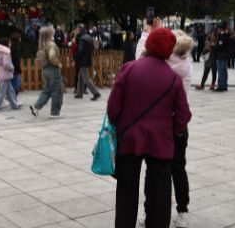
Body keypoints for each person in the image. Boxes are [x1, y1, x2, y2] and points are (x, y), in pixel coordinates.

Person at [108, 28, 191, 228]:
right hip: (161, 142)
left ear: (149, 44)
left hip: (130, 139)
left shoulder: (129, 68)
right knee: (159, 194)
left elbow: (112, 107)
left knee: (126, 192)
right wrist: (173, 130)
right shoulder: (173, 79)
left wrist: (120, 126)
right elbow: (183, 115)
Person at [135, 21, 195, 228]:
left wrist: (147, 32)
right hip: (179, 125)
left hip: (160, 124)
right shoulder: (186, 62)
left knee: (155, 171)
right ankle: (182, 211)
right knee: (178, 168)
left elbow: (141, 54)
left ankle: (150, 212)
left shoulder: (167, 65)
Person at [31, 26, 64, 119]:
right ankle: (55, 113)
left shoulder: (42, 44)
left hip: (45, 70)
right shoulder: (51, 44)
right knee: (57, 91)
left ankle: (36, 107)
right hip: (53, 70)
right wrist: (58, 64)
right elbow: (52, 56)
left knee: (47, 90)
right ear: (50, 34)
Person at [0, 37, 21, 111]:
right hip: (5, 74)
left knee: (10, 91)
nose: (10, 44)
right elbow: (6, 63)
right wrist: (12, 68)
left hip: (1, 73)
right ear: (5, 44)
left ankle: (15, 105)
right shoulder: (6, 52)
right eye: (9, 43)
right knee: (1, 92)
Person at [74, 24, 100, 100]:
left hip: (83, 60)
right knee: (80, 77)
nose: (76, 31)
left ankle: (96, 93)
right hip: (88, 59)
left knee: (86, 78)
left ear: (81, 30)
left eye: (77, 29)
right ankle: (79, 93)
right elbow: (93, 48)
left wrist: (75, 57)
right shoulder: (89, 37)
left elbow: (80, 50)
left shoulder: (82, 39)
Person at [213, 25, 230, 90]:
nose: (217, 31)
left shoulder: (221, 36)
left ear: (220, 29)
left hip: (220, 56)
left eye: (217, 29)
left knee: (221, 71)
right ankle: (225, 85)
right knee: (224, 71)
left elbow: (220, 46)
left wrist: (213, 46)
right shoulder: (226, 35)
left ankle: (221, 86)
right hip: (224, 55)